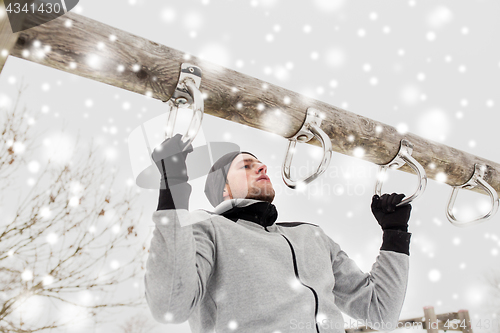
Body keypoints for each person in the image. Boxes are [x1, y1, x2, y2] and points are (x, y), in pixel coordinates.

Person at [144, 134, 412, 333]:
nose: (262, 167)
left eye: (260, 164)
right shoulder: (208, 228)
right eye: (246, 166)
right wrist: (173, 189)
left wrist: (394, 233)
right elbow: (170, 305)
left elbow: (381, 312)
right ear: (223, 189)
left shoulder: (312, 237)